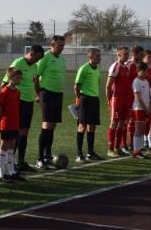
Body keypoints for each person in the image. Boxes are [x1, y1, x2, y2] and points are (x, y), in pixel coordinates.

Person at [8, 45, 44, 170]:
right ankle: (10, 162)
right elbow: (6, 82)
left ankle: (21, 161)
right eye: (37, 58)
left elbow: (35, 82)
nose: (37, 61)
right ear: (31, 54)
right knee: (16, 132)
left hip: (29, 102)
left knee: (24, 132)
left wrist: (38, 94)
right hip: (18, 102)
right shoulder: (18, 63)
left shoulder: (35, 66)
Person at [35, 35, 66, 168]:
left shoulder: (62, 59)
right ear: (52, 45)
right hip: (47, 93)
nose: (62, 48)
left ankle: (48, 155)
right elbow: (35, 77)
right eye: (59, 45)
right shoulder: (45, 57)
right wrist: (38, 93)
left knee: (52, 126)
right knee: (46, 125)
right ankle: (39, 158)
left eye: (63, 45)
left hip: (58, 94)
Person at [73, 47, 102, 163]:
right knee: (82, 126)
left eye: (100, 56)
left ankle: (90, 152)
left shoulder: (98, 69)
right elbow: (76, 86)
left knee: (92, 126)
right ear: (90, 57)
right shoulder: (83, 69)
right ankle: (79, 154)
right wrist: (78, 98)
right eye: (97, 56)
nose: (99, 58)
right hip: (85, 99)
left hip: (95, 99)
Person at [0, 67, 24, 181]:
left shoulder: (17, 92)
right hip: (6, 123)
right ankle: (2, 174)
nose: (19, 80)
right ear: (10, 78)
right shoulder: (4, 91)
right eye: (17, 77)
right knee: (4, 145)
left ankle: (12, 172)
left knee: (12, 146)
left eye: (20, 78)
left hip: (14, 123)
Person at [106, 46, 133, 158]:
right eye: (124, 54)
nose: (127, 56)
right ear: (118, 54)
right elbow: (108, 86)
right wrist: (109, 100)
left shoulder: (126, 68)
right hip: (117, 99)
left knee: (122, 123)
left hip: (126, 100)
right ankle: (110, 149)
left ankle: (117, 148)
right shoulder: (115, 67)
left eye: (127, 54)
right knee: (114, 123)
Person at [130, 62, 151, 159]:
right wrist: (146, 108)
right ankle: (135, 151)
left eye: (146, 71)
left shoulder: (146, 82)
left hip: (145, 109)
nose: (145, 73)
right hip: (139, 109)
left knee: (142, 130)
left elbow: (148, 96)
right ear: (139, 71)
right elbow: (138, 97)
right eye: (144, 71)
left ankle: (139, 150)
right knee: (138, 130)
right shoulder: (136, 81)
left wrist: (148, 107)